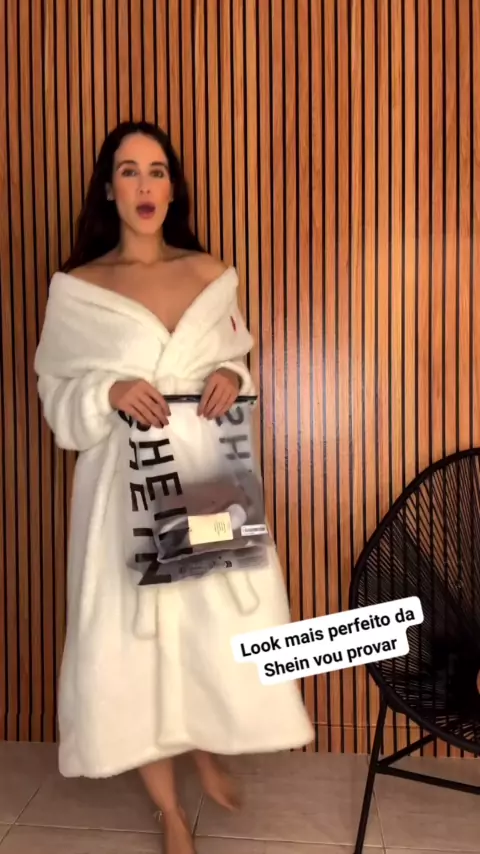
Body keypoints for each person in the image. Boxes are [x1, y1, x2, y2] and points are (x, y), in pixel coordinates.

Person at [34, 120, 314, 854]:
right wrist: (107, 390)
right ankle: (169, 811)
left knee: (207, 623)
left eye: (156, 170)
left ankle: (205, 745)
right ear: (108, 188)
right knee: (132, 643)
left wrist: (230, 376)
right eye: (128, 170)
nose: (144, 185)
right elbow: (55, 394)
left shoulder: (211, 275)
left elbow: (237, 369)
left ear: (172, 185)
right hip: (121, 492)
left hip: (206, 478)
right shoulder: (78, 289)